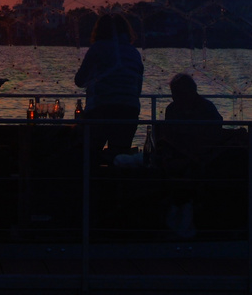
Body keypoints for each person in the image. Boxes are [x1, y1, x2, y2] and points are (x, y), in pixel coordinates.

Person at [73, 13, 144, 164]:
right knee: (120, 156)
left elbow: (79, 80)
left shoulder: (97, 48)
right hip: (129, 110)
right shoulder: (134, 52)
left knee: (89, 153)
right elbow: (137, 88)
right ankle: (116, 184)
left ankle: (90, 184)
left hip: (101, 108)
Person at [158, 73, 222, 240]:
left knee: (185, 172)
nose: (174, 97)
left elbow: (214, 138)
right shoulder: (172, 109)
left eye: (177, 93)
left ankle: (180, 221)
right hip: (179, 154)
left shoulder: (206, 109)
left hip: (201, 156)